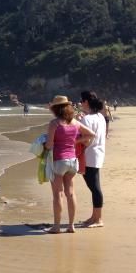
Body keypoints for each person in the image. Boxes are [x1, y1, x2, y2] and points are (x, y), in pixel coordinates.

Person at [44, 95, 94, 234]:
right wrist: (75, 142)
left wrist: (44, 145)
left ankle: (56, 227)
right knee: (70, 193)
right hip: (73, 161)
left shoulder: (54, 124)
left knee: (57, 194)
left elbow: (49, 145)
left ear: (55, 109)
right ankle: (71, 225)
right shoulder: (74, 122)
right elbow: (91, 134)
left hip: (59, 160)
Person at [79, 91, 107, 228]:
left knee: (94, 187)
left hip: (89, 154)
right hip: (99, 153)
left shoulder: (87, 119)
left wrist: (75, 141)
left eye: (81, 101)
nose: (80, 104)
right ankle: (94, 217)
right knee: (94, 186)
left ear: (85, 102)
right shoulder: (100, 116)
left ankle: (98, 219)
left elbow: (86, 140)